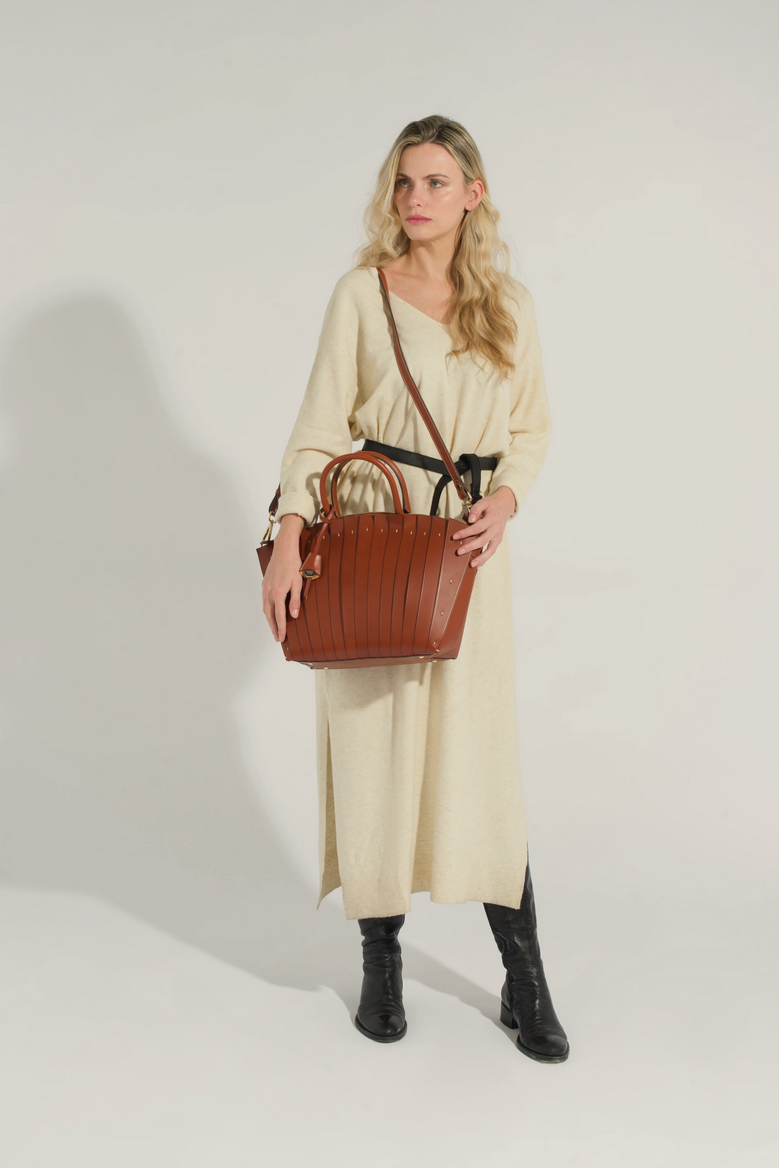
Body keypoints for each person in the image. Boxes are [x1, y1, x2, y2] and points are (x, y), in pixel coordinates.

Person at [261, 115, 569, 1062]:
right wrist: (289, 536)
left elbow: (531, 429)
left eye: (436, 181)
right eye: (404, 182)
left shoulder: (507, 304)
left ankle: (525, 977)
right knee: (374, 753)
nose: (416, 199)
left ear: (474, 193)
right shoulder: (363, 293)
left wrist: (506, 500)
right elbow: (319, 427)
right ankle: (381, 961)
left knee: (480, 762)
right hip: (371, 539)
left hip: (467, 550)